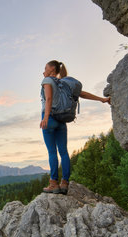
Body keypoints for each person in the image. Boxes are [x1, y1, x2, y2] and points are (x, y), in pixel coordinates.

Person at [40, 60, 111, 194]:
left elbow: (48, 99)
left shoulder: (47, 81)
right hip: (62, 120)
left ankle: (53, 183)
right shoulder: (65, 84)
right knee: (64, 152)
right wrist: (102, 99)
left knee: (52, 152)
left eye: (45, 68)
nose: (43, 71)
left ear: (52, 70)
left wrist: (45, 117)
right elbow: (82, 94)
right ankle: (65, 183)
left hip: (49, 119)